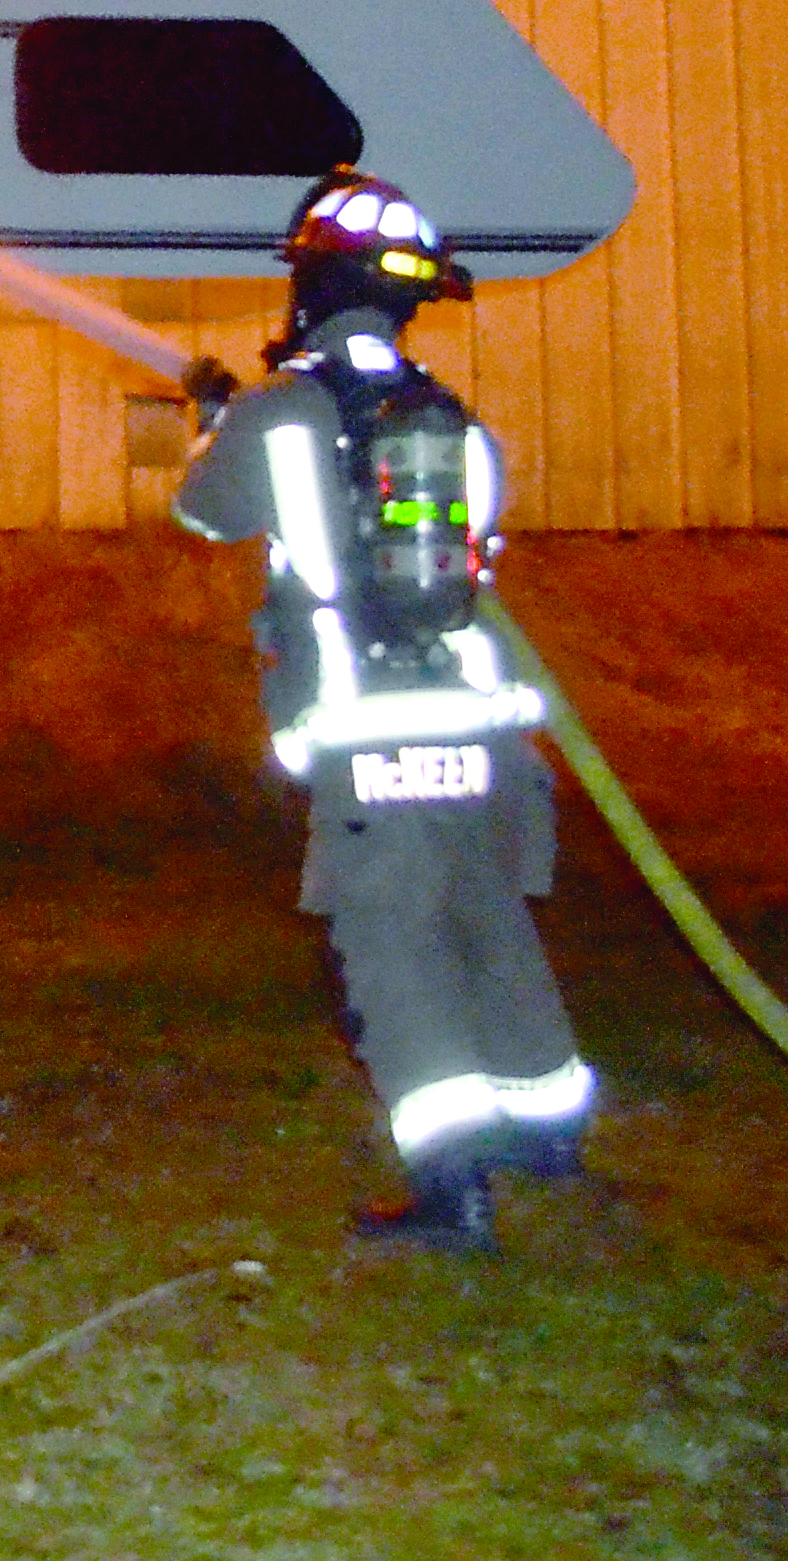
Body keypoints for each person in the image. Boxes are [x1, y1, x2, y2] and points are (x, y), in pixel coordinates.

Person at [173, 170, 592, 1252]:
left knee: (389, 946)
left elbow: (203, 511)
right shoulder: (452, 423)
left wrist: (216, 424)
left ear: (307, 286)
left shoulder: (280, 413)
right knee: (488, 919)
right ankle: (548, 1129)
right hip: (478, 726)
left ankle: (451, 1186)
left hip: (370, 737)